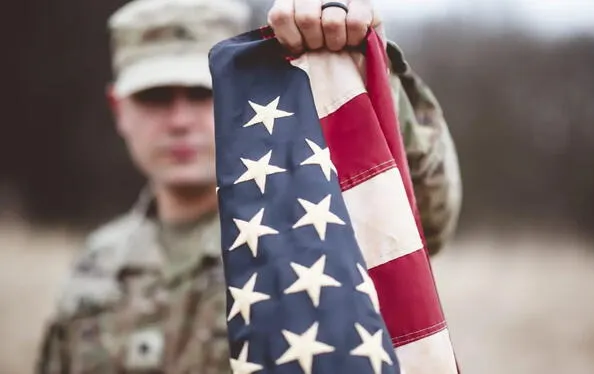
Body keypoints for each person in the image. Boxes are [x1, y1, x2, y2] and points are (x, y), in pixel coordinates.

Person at [35, 0, 462, 372]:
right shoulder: (94, 266)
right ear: (118, 108)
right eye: (156, 96)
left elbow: (425, 212)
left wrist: (366, 76)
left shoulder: (315, 230)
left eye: (202, 94)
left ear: (238, 94)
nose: (180, 120)